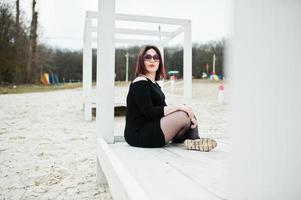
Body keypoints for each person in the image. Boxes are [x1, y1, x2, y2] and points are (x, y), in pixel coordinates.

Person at [124, 45, 217, 152]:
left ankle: (193, 141)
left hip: (153, 127)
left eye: (156, 57)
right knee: (183, 114)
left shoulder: (155, 85)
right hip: (139, 134)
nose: (152, 60)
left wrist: (188, 115)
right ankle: (194, 140)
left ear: (160, 62)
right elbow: (149, 112)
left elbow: (162, 110)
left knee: (187, 113)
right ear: (141, 60)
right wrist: (179, 107)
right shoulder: (140, 81)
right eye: (148, 57)